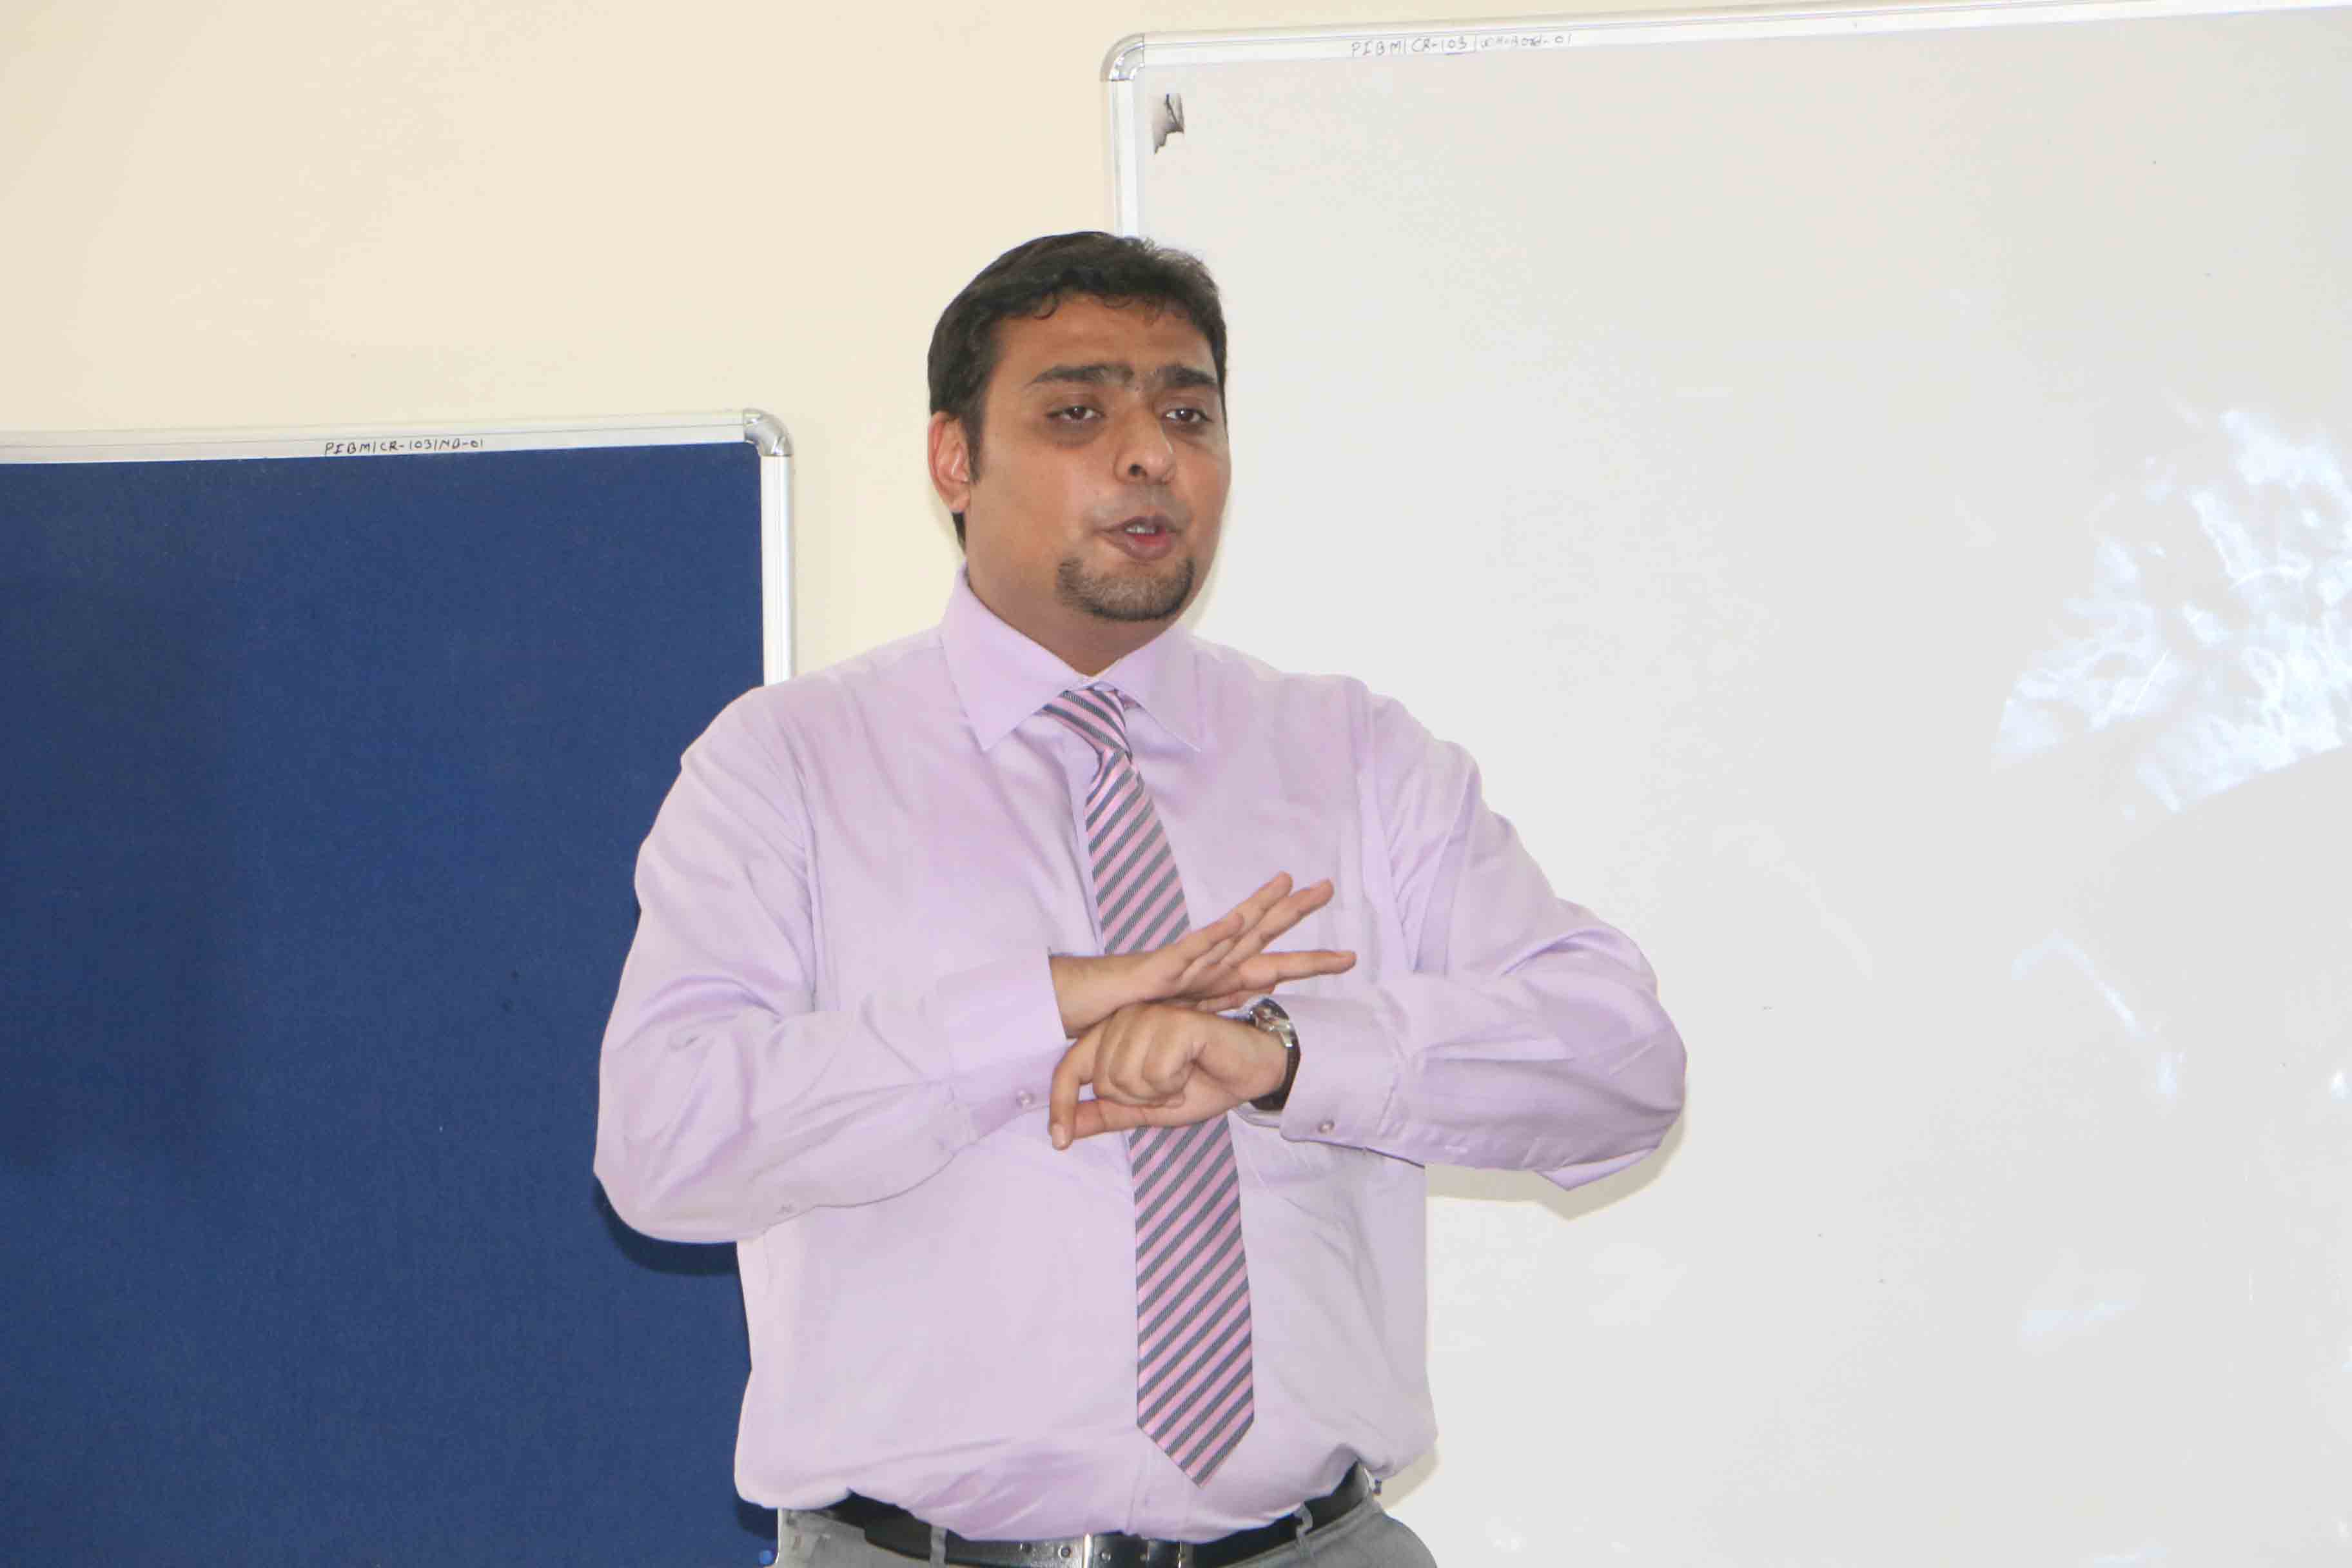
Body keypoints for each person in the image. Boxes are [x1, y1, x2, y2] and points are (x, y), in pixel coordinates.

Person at [593, 231, 1685, 1567]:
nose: (1149, 455)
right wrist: (1041, 1011)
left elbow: (1623, 1066)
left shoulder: (1356, 755)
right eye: (1077, 414)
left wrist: (1282, 1057)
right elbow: (665, 1144)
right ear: (954, 460)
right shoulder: (789, 764)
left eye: (1187, 414)